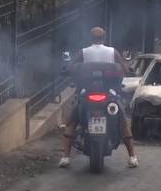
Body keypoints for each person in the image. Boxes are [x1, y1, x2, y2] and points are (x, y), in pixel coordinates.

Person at [58, 27, 139, 168]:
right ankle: (132, 156)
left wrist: (68, 70)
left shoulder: (83, 52)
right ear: (104, 38)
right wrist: (127, 69)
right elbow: (125, 69)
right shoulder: (112, 51)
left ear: (91, 38)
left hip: (86, 92)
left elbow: (70, 68)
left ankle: (65, 157)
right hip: (110, 92)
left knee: (72, 121)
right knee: (123, 122)